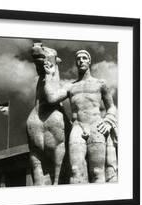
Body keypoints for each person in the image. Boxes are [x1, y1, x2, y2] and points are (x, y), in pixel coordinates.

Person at [44, 50, 117, 183]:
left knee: (97, 172)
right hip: (77, 127)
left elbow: (111, 106)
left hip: (96, 126)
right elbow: (51, 98)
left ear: (89, 61)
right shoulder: (70, 86)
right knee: (75, 170)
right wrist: (49, 76)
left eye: (84, 58)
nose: (81, 60)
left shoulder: (100, 83)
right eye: (78, 59)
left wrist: (108, 121)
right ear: (76, 63)